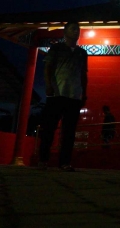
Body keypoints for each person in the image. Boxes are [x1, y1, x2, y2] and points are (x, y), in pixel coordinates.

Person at [38, 22, 88, 171]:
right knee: (49, 128)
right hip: (57, 94)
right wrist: (48, 85)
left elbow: (83, 74)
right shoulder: (56, 48)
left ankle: (65, 162)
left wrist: (84, 93)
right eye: (73, 29)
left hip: (74, 96)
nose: (76, 32)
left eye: (78, 30)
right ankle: (43, 160)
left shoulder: (82, 53)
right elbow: (47, 67)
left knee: (69, 131)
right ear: (65, 33)